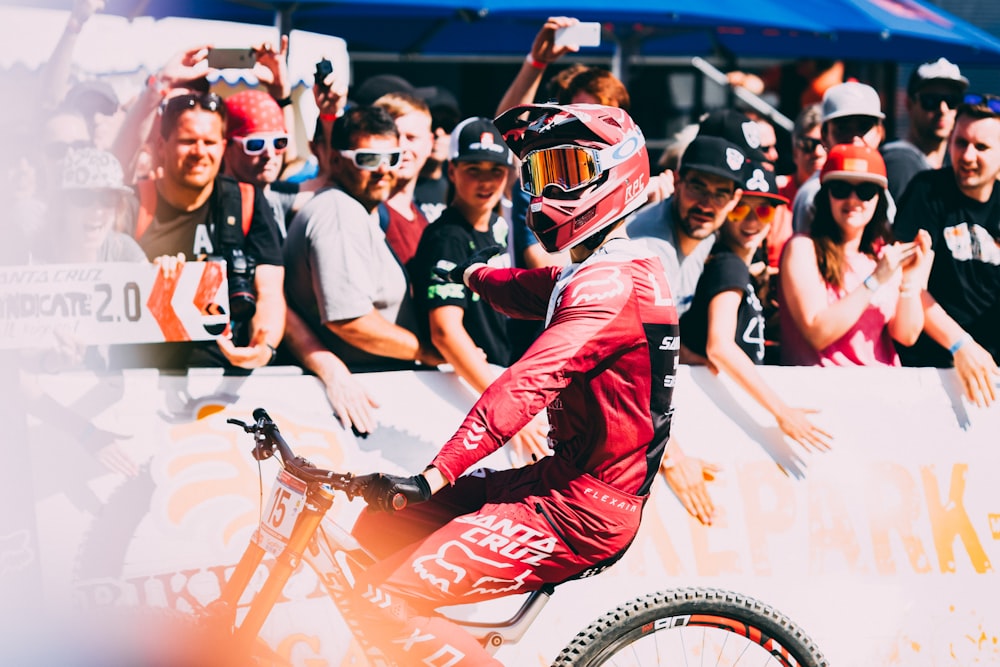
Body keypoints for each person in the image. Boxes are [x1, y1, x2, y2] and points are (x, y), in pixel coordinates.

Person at [348, 102, 678, 667]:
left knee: (379, 597)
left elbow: (525, 385)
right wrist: (472, 273)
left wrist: (436, 473)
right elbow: (525, 287)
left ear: (618, 173)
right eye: (540, 175)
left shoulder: (611, 286)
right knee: (375, 529)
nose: (548, 192)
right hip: (560, 483)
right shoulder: (606, 270)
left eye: (567, 174)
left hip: (584, 511)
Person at [409, 116, 549, 463]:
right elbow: (445, 332)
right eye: (474, 169)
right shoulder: (447, 237)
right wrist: (507, 405)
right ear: (452, 170)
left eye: (495, 171)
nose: (485, 182)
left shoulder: (500, 226)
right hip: (469, 398)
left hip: (494, 386)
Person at [120, 91, 286, 372]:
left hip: (227, 378)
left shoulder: (247, 201)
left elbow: (269, 292)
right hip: (143, 380)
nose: (199, 152)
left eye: (209, 142)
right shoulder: (133, 204)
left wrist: (263, 347)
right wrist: (148, 276)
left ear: (222, 147)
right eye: (187, 141)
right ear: (162, 145)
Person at [680, 162, 831, 451]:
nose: (752, 221)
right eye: (741, 209)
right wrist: (782, 411)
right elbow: (719, 348)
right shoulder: (729, 264)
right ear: (727, 209)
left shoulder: (738, 268)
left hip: (722, 411)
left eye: (764, 210)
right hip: (717, 417)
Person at [282, 105, 444, 373]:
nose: (382, 169)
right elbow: (349, 320)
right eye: (368, 159)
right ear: (335, 160)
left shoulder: (355, 210)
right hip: (354, 392)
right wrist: (426, 351)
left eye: (392, 158)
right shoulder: (337, 213)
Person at [779, 145, 932, 367]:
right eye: (840, 188)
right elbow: (817, 333)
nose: (852, 200)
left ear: (879, 199)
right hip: (820, 392)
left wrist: (909, 277)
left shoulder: (882, 255)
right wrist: (876, 279)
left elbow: (906, 335)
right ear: (826, 195)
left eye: (866, 191)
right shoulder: (802, 248)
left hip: (879, 391)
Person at [893, 93, 1000, 407]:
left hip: (991, 374)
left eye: (981, 147)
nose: (967, 156)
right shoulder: (927, 190)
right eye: (960, 142)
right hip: (930, 371)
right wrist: (960, 345)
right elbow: (908, 281)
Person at [627, 135, 747, 317]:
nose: (706, 205)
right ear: (677, 181)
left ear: (734, 200)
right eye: (698, 188)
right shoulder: (648, 250)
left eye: (720, 195)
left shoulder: (706, 232)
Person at [791, 81, 887, 234]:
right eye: (843, 128)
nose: (854, 138)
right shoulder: (813, 193)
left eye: (864, 127)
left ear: (879, 133)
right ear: (824, 135)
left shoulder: (880, 185)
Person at [882, 57, 968, 202]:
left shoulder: (951, 164)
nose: (943, 109)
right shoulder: (901, 163)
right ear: (909, 104)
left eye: (952, 100)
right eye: (930, 100)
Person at [222, 90, 296, 239]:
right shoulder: (207, 202)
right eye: (255, 144)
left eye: (279, 142)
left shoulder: (276, 196)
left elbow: (328, 182)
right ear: (226, 147)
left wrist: (284, 98)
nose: (269, 154)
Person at [374, 92, 434, 265]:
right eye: (393, 136)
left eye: (411, 137)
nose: (402, 146)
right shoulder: (369, 213)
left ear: (430, 143)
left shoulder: (423, 219)